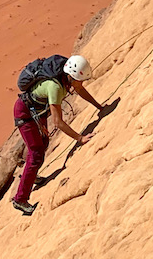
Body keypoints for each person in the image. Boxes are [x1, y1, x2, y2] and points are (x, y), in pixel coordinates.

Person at [12, 54, 103, 217]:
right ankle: (20, 199)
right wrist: (80, 138)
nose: (81, 84)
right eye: (79, 80)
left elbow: (80, 90)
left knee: (43, 142)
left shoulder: (64, 78)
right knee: (36, 153)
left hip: (35, 111)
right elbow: (58, 122)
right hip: (25, 114)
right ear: (71, 77)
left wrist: (99, 107)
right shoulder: (55, 87)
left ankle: (31, 175)